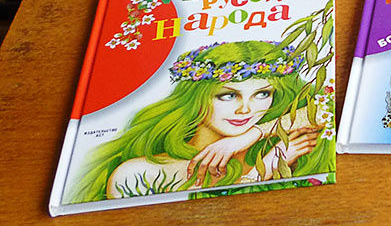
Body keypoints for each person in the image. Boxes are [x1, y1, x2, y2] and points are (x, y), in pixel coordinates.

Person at [68, 41, 333, 203]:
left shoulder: (278, 148)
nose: (246, 109)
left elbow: (325, 111)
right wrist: (266, 169)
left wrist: (250, 135)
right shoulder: (138, 173)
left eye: (262, 94)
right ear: (196, 99)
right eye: (228, 95)